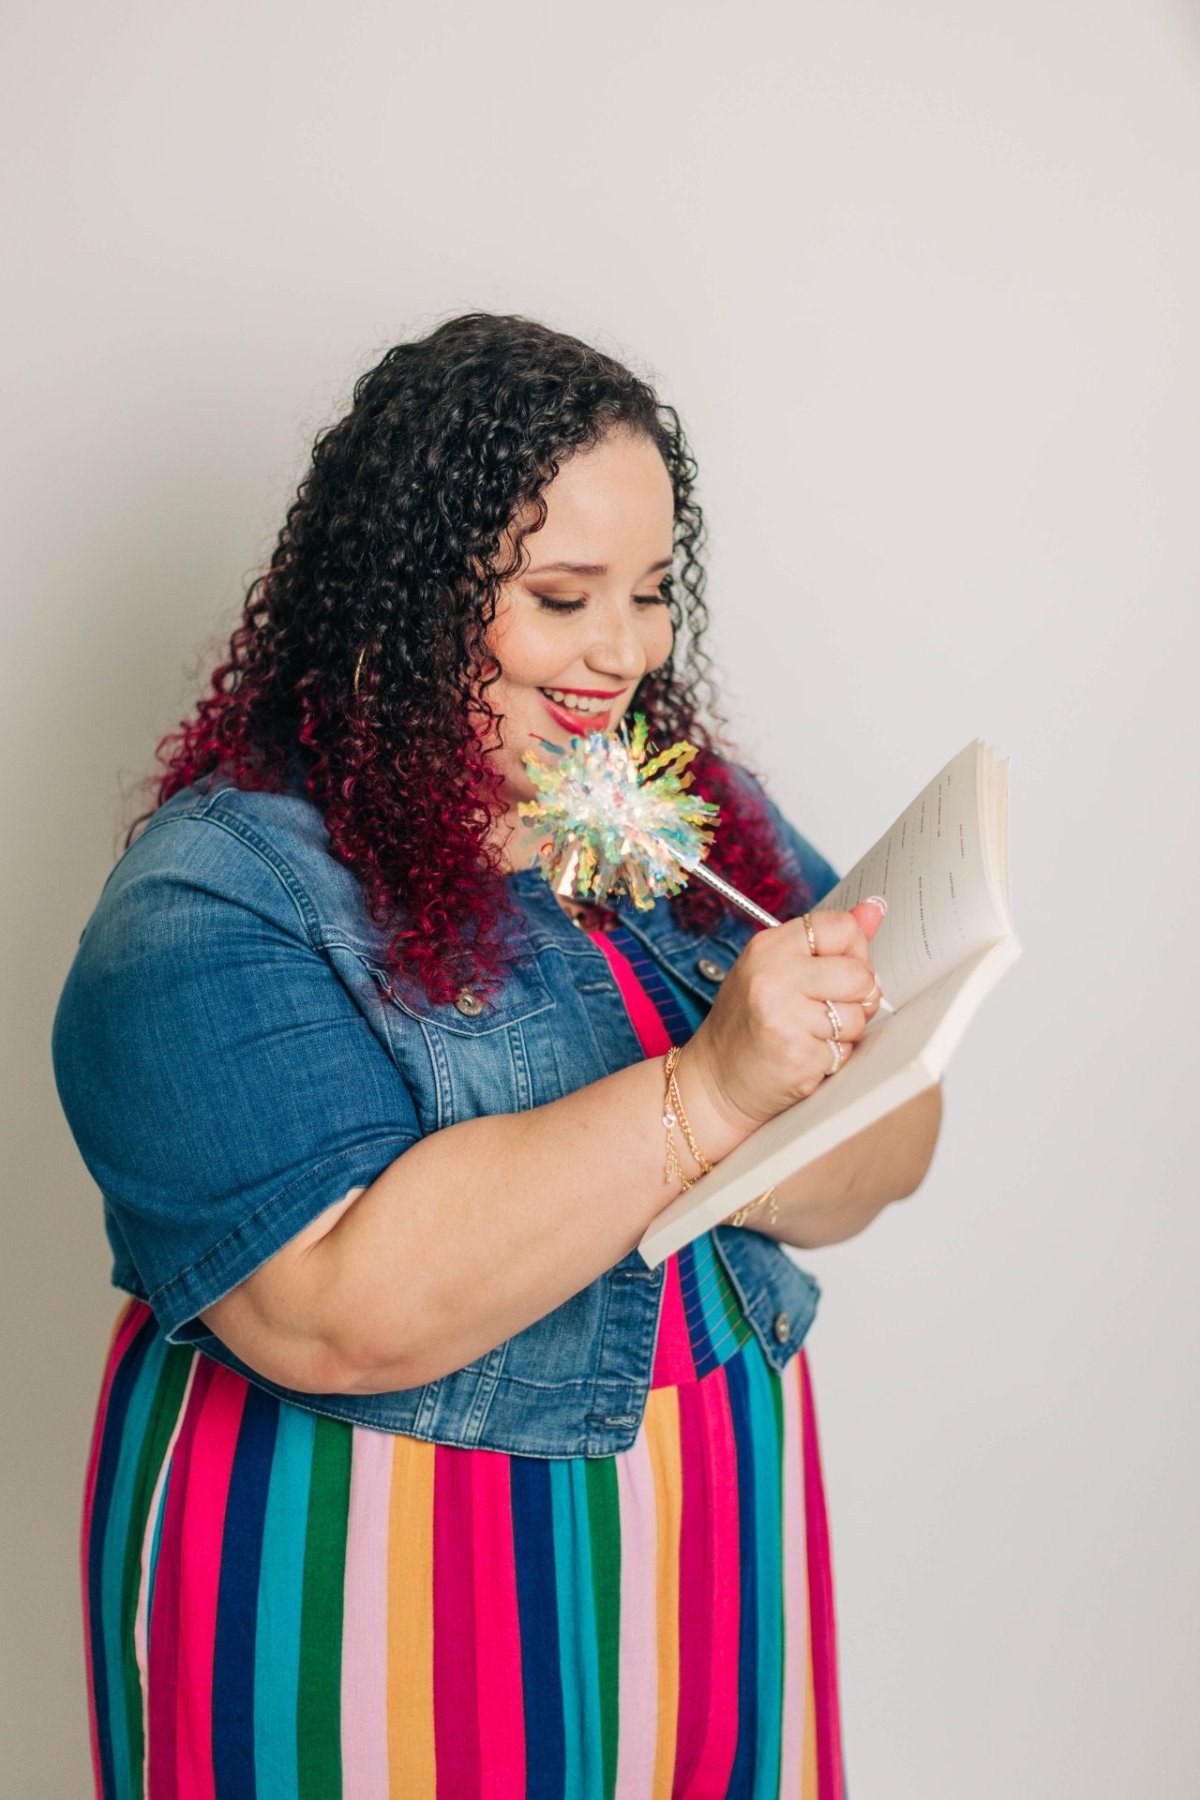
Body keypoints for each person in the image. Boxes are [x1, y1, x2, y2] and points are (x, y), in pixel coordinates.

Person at [52, 312, 942, 1800]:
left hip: (705, 1533)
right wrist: (715, 1092)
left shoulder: (687, 815)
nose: (625, 649)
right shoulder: (214, 899)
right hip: (365, 1560)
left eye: (652, 593)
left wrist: (835, 1084)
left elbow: (893, 1147)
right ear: (402, 598)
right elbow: (337, 1313)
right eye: (559, 594)